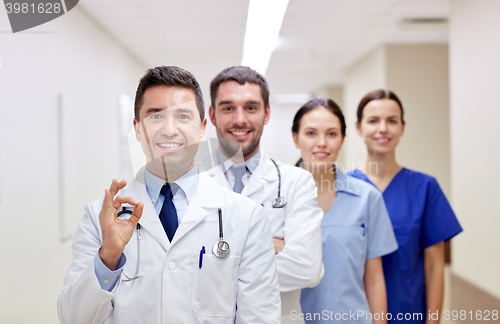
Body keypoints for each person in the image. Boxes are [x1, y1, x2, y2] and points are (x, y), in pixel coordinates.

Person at [57, 66, 282, 324]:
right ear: (138, 130)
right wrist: (107, 258)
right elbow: (72, 318)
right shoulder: (99, 218)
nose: (169, 129)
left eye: (183, 116)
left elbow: (260, 318)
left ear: (201, 128)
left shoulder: (246, 216)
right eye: (155, 117)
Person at [204, 66, 324, 324]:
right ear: (212, 115)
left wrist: (215, 260)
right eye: (227, 108)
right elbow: (176, 271)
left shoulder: (297, 182)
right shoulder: (188, 183)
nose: (240, 120)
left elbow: (307, 268)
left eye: (251, 107)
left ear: (266, 112)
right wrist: (262, 247)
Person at [348, 90, 463, 323]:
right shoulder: (343, 189)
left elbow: (434, 266)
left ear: (402, 128)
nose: (383, 128)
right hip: (353, 314)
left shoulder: (425, 187)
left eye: (392, 121)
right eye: (373, 121)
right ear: (358, 128)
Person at [291, 98, 398, 323]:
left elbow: (374, 278)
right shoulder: (275, 198)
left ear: (342, 139)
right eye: (311, 133)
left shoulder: (367, 198)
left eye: (331, 134)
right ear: (295, 138)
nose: (322, 143)